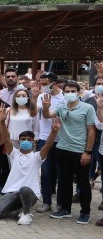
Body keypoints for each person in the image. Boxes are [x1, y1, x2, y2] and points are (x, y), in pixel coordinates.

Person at [41, 80, 96, 224]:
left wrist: (88, 152)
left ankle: (85, 212)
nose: (70, 94)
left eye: (73, 91)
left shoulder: (88, 108)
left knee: (83, 183)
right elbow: (47, 115)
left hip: (80, 151)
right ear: (63, 92)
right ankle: (65, 209)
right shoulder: (61, 106)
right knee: (64, 181)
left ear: (78, 93)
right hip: (62, 149)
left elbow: (91, 130)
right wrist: (45, 108)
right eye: (67, 91)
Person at [0, 119, 60, 225]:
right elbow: (6, 139)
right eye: (23, 139)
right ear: (19, 142)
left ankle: (26, 213)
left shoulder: (37, 157)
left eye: (29, 139)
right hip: (12, 192)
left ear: (33, 142)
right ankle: (19, 208)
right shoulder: (14, 154)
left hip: (30, 193)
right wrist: (2, 123)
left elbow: (47, 145)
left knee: (24, 189)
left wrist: (54, 132)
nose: (26, 141)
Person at [35, 72, 64, 213]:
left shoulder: (65, 98)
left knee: (61, 172)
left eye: (45, 84)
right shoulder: (41, 96)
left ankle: (61, 203)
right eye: (41, 83)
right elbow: (41, 114)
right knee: (45, 172)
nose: (43, 86)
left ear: (54, 83)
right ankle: (46, 202)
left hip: (62, 140)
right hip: (44, 138)